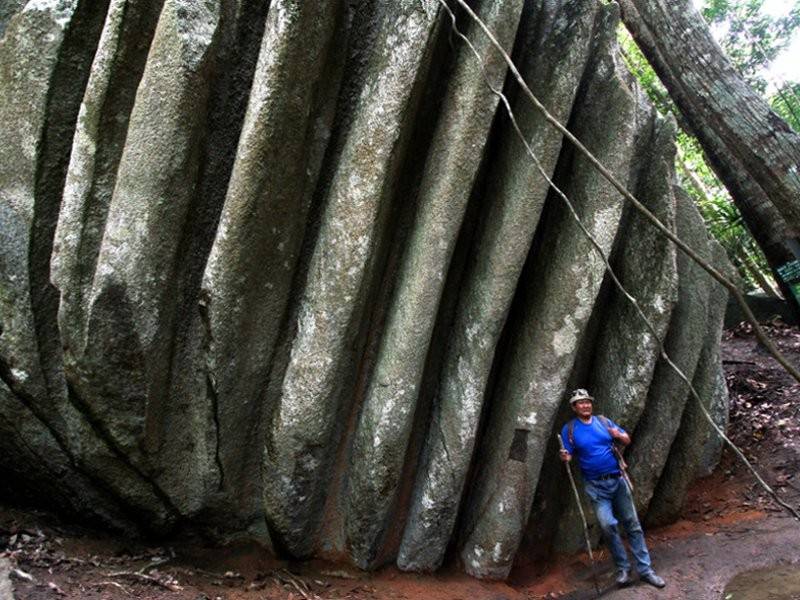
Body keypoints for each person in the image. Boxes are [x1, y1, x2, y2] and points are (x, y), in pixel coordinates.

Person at [559, 388, 666, 589]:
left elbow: (626, 439)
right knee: (608, 526)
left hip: (617, 481)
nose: (585, 405)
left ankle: (645, 570)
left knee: (632, 524)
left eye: (587, 402)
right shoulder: (570, 429)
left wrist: (618, 434)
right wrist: (565, 456)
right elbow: (568, 455)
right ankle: (623, 569)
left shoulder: (603, 422)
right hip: (596, 487)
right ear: (574, 407)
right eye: (580, 403)